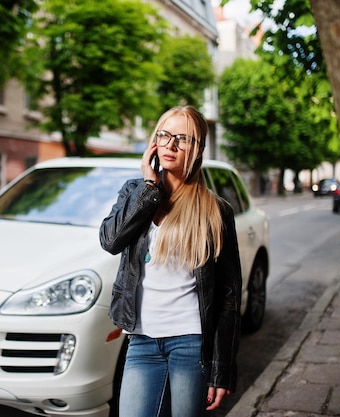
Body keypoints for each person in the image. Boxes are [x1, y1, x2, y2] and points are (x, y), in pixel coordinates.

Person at [99, 105, 242, 417]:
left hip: (190, 343)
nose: (171, 145)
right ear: (154, 142)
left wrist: (222, 368)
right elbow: (111, 241)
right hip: (141, 340)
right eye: (164, 135)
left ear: (199, 149)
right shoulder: (135, 192)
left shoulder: (215, 211)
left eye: (183, 138)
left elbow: (229, 294)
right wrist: (150, 186)